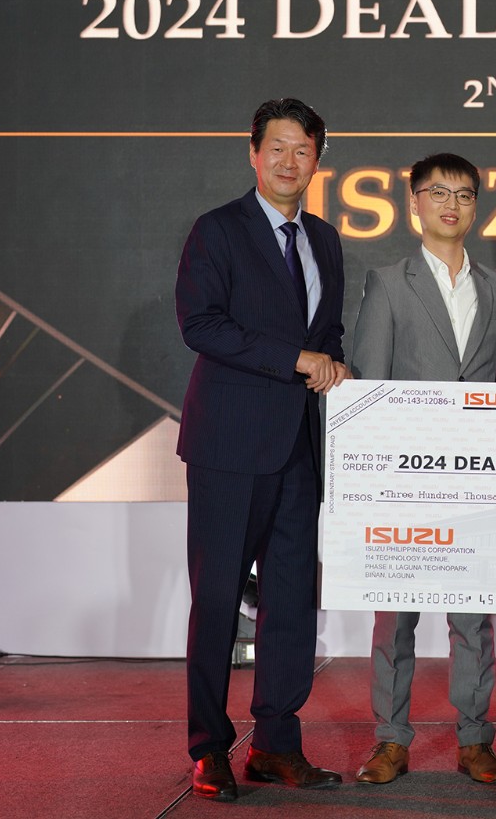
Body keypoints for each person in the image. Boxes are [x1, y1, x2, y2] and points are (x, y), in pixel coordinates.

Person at [174, 98, 349, 802]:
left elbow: (325, 333)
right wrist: (297, 359)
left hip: (299, 447)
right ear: (253, 153)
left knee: (292, 601)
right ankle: (208, 747)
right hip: (228, 443)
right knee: (218, 599)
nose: (288, 161)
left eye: (302, 150)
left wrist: (334, 362)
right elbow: (200, 324)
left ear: (317, 160)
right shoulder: (218, 230)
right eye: (276, 147)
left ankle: (276, 743)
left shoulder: (325, 239)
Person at [348, 153, 496, 786]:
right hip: (403, 480)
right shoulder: (389, 282)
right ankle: (390, 740)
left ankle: (475, 740)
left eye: (464, 195)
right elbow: (368, 386)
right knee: (395, 618)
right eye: (439, 193)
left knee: (472, 616)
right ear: (414, 202)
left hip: (477, 479)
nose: (452, 205)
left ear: (476, 206)